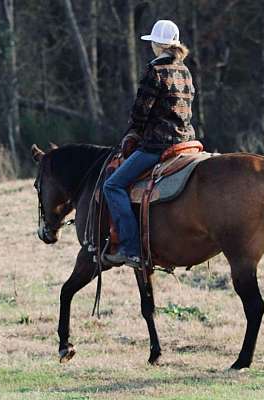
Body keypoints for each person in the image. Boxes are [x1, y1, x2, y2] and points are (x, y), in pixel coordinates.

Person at [103, 19, 196, 268]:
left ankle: (131, 249)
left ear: (157, 44)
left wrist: (132, 132)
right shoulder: (184, 70)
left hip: (158, 144)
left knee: (113, 185)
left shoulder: (155, 71)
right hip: (187, 141)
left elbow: (140, 113)